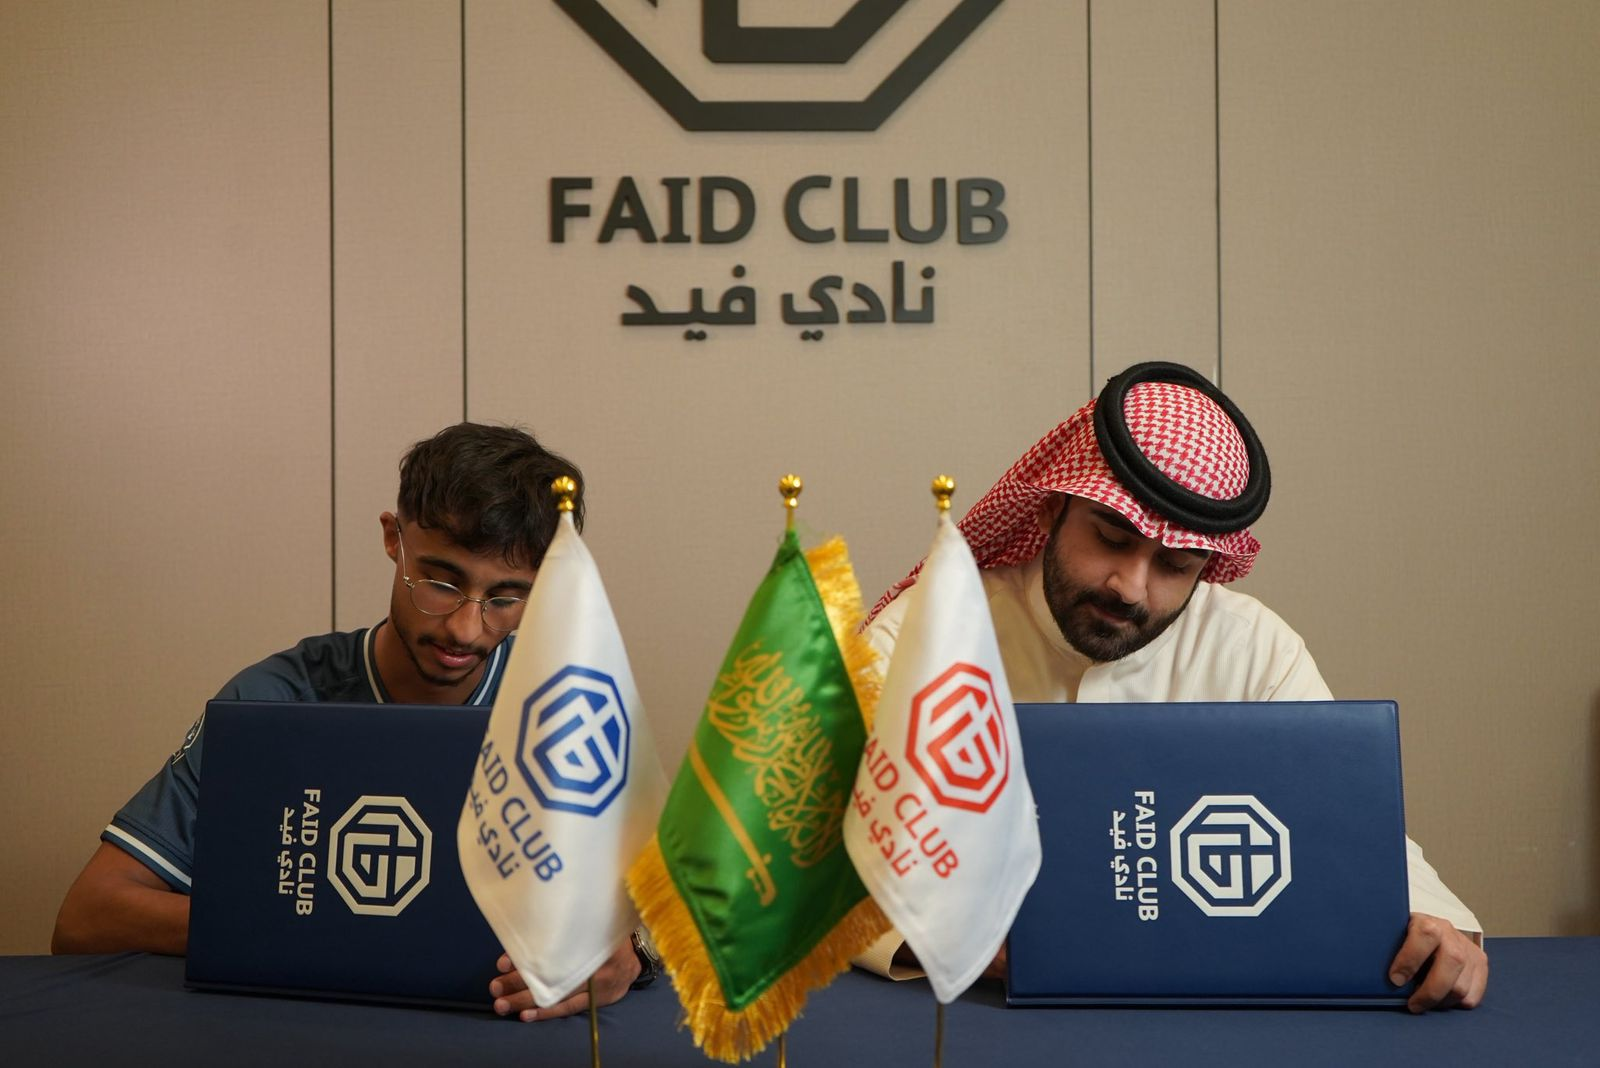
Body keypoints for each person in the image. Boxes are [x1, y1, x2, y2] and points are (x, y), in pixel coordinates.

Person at [854, 362, 1487, 1013]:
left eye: (1174, 564)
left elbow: (1342, 819)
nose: (1130, 587)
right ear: (1050, 509)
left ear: (1208, 567)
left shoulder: (1253, 650)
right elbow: (815, 853)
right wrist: (950, 936)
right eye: (1110, 539)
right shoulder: (924, 636)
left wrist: (1436, 926)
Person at [51, 422, 651, 1021]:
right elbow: (87, 918)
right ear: (394, 538)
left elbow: (632, 922)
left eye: (505, 598)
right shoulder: (278, 701)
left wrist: (629, 955)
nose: (465, 629)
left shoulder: (563, 713)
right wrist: (320, 926)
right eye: (441, 582)